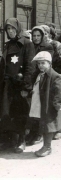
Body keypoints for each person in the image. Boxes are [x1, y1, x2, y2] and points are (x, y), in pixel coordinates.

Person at [0, 18, 35, 153]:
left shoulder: (27, 44)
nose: (10, 31)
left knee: (20, 112)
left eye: (13, 28)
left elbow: (29, 67)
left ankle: (21, 141)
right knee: (7, 112)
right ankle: (10, 141)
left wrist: (26, 87)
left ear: (18, 29)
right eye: (8, 29)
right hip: (8, 84)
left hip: (20, 85)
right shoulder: (7, 45)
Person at [27, 51, 61, 157]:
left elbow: (59, 91)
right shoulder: (40, 74)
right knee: (44, 125)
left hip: (50, 105)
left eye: (43, 63)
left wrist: (56, 104)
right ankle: (45, 145)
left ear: (49, 63)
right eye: (38, 63)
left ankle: (47, 147)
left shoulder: (54, 76)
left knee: (49, 126)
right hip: (41, 104)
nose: (40, 65)